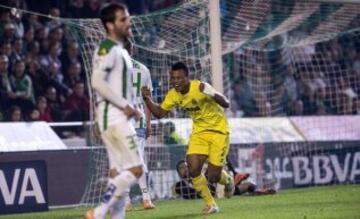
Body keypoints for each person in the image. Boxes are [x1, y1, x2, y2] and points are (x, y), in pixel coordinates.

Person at [142, 62, 234, 214]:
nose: (176, 81)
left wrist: (212, 93)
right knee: (193, 168)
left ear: (187, 78)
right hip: (199, 133)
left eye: (179, 78)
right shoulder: (173, 94)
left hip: (219, 132)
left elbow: (226, 103)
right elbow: (159, 113)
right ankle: (211, 204)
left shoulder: (200, 87)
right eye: (173, 78)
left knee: (213, 176)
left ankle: (228, 180)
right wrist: (147, 99)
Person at [85, 3, 143, 219]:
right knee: (137, 169)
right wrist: (125, 105)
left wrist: (131, 105)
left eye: (128, 18)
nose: (128, 22)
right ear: (110, 25)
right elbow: (97, 81)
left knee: (118, 173)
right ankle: (99, 212)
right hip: (115, 117)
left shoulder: (120, 50)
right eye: (123, 19)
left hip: (114, 116)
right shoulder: (107, 48)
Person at [122, 37, 156, 211]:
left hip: (122, 122)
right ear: (132, 49)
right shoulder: (143, 69)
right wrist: (148, 123)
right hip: (139, 121)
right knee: (138, 159)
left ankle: (128, 201)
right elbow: (147, 100)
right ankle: (145, 199)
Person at [174, 160, 276, 199]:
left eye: (186, 166)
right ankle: (235, 181)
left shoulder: (198, 176)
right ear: (179, 172)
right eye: (182, 168)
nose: (185, 169)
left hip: (221, 190)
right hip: (214, 194)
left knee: (248, 185)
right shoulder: (181, 185)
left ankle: (257, 191)